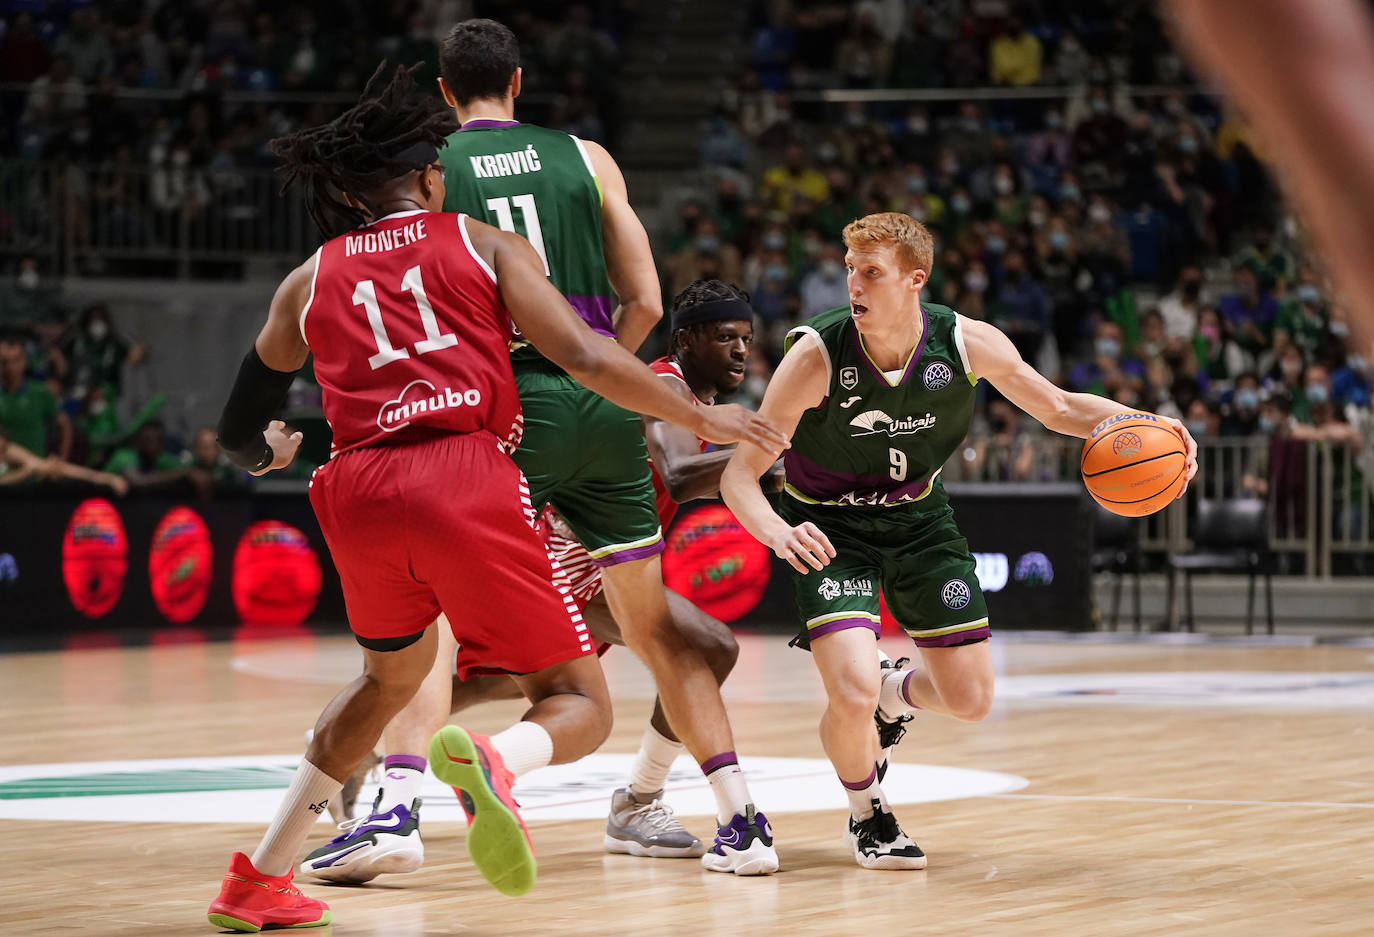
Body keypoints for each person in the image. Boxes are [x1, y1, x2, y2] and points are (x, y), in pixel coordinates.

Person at [204, 64, 786, 933]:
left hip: (355, 490)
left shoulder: (310, 277)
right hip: (463, 473)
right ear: (430, 179)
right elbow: (592, 359)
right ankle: (492, 759)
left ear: (356, 196)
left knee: (387, 678)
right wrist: (705, 414)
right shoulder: (480, 243)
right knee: (580, 699)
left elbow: (240, 428)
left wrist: (271, 451)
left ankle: (258, 879)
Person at [720, 213, 1197, 870]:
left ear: (916, 280)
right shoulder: (817, 356)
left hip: (919, 520)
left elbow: (1057, 407)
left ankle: (899, 693)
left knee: (971, 700)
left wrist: (1152, 422)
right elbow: (738, 474)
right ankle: (869, 814)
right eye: (850, 268)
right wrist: (776, 530)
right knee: (852, 690)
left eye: (871, 272)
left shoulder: (967, 344)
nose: (852, 283)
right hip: (831, 528)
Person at [424, 19, 780, 875]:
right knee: (612, 646)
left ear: (444, 91)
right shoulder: (587, 158)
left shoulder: (432, 167)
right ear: (517, 80)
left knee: (435, 630)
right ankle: (728, 819)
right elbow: (647, 298)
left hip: (498, 410)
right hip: (593, 399)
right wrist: (595, 368)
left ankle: (390, 794)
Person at [300, 279, 780, 882]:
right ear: (687, 340)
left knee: (501, 683)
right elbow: (681, 473)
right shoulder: (664, 385)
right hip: (568, 552)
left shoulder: (703, 404)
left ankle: (365, 745)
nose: (740, 351)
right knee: (701, 649)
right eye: (726, 337)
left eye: (746, 339)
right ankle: (636, 800)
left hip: (602, 559)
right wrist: (775, 459)